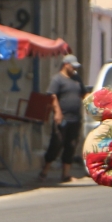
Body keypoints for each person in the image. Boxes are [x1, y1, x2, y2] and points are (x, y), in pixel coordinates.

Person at [40, 55, 86, 183]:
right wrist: (58, 112)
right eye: (73, 66)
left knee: (71, 146)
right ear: (65, 64)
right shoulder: (57, 79)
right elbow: (52, 96)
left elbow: (83, 94)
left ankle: (65, 174)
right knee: (56, 144)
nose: (74, 69)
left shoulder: (77, 79)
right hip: (63, 119)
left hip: (75, 119)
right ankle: (44, 172)